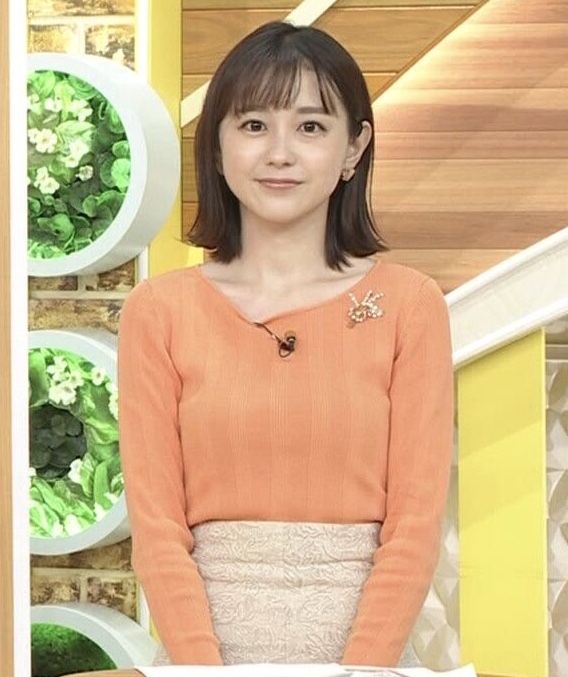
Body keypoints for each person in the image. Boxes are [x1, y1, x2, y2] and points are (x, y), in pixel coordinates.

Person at [117, 20, 454, 670]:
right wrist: (203, 671)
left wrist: (360, 669)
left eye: (310, 127)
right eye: (253, 125)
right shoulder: (158, 311)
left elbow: (414, 526)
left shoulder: (410, 305)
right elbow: (157, 529)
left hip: (365, 661)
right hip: (202, 661)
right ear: (216, 147)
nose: (279, 153)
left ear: (354, 148)